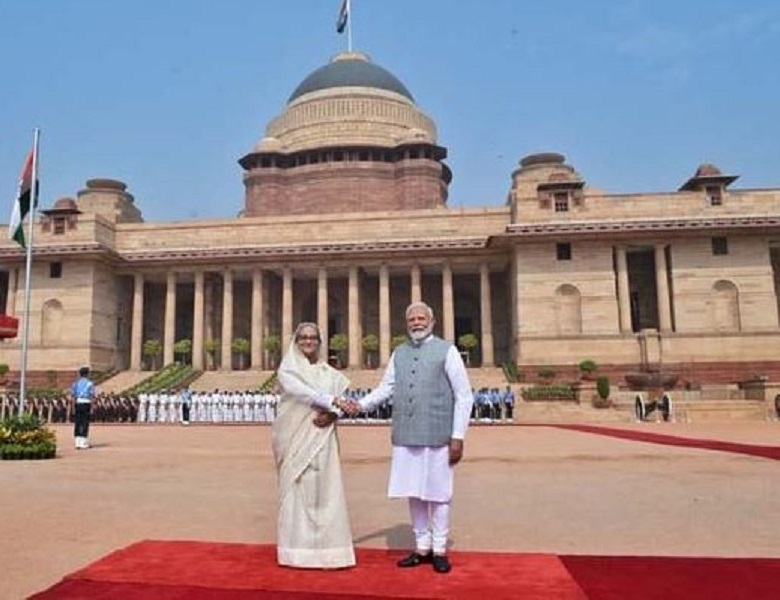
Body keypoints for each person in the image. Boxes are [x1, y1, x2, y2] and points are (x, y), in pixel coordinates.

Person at [352, 302, 473, 574]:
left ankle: (439, 549)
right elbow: (385, 389)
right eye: (411, 319)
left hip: (438, 434)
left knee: (439, 494)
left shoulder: (447, 350)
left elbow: (464, 396)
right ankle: (422, 547)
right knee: (414, 492)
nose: (416, 323)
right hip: (407, 434)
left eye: (421, 318)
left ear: (432, 321)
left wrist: (458, 437)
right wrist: (358, 406)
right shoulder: (400, 353)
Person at [272, 322, 355, 569]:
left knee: (326, 491)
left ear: (319, 342)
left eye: (313, 338)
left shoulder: (328, 373)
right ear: (295, 342)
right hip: (295, 437)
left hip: (323, 437)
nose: (308, 341)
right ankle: (295, 552)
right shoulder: (288, 370)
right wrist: (333, 402)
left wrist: (333, 414)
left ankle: (330, 552)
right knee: (297, 491)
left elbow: (338, 404)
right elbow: (302, 393)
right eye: (303, 338)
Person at [70, 366, 96, 449]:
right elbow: (92, 396)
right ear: (87, 374)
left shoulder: (75, 383)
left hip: (78, 403)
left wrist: (73, 407)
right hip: (86, 403)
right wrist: (92, 407)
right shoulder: (90, 384)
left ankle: (77, 442)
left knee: (78, 422)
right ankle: (83, 442)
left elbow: (73, 396)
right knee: (85, 422)